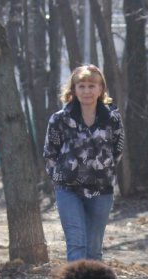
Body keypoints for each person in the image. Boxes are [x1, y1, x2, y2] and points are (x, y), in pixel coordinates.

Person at [43, 64, 124, 262]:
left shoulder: (112, 119)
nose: (86, 91)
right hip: (68, 191)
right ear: (73, 90)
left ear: (100, 89)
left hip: (101, 192)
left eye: (91, 86)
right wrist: (61, 177)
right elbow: (50, 152)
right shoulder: (60, 119)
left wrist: (102, 171)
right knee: (76, 245)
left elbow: (117, 150)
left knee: (94, 250)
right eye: (81, 86)